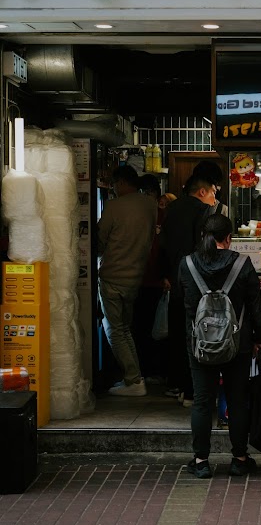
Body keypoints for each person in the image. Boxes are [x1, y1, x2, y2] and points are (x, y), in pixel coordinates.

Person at [179, 213, 261, 479]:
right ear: (229, 238)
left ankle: (201, 461)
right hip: (236, 344)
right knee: (238, 401)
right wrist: (259, 338)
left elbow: (183, 304)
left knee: (202, 402)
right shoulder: (243, 264)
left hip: (200, 345)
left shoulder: (187, 264)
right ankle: (239, 459)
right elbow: (255, 305)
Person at [98, 165, 157, 396]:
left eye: (114, 184)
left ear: (121, 183)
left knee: (114, 329)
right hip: (135, 277)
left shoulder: (113, 206)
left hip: (113, 276)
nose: (113, 189)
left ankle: (133, 381)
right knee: (125, 329)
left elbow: (99, 241)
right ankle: (135, 377)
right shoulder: (149, 205)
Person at [160, 175, 217, 406]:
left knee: (177, 335)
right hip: (195, 282)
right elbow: (202, 247)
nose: (214, 198)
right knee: (195, 335)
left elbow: (162, 243)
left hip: (175, 279)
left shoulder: (171, 209)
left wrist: (166, 274)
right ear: (202, 192)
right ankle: (193, 391)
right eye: (213, 192)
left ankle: (177, 385)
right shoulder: (202, 211)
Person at [132, 175, 169, 387]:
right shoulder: (139, 216)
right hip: (140, 279)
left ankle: (155, 371)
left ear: (155, 195)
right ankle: (145, 371)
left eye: (148, 194)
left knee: (158, 330)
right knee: (143, 328)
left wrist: (167, 275)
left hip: (157, 281)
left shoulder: (164, 216)